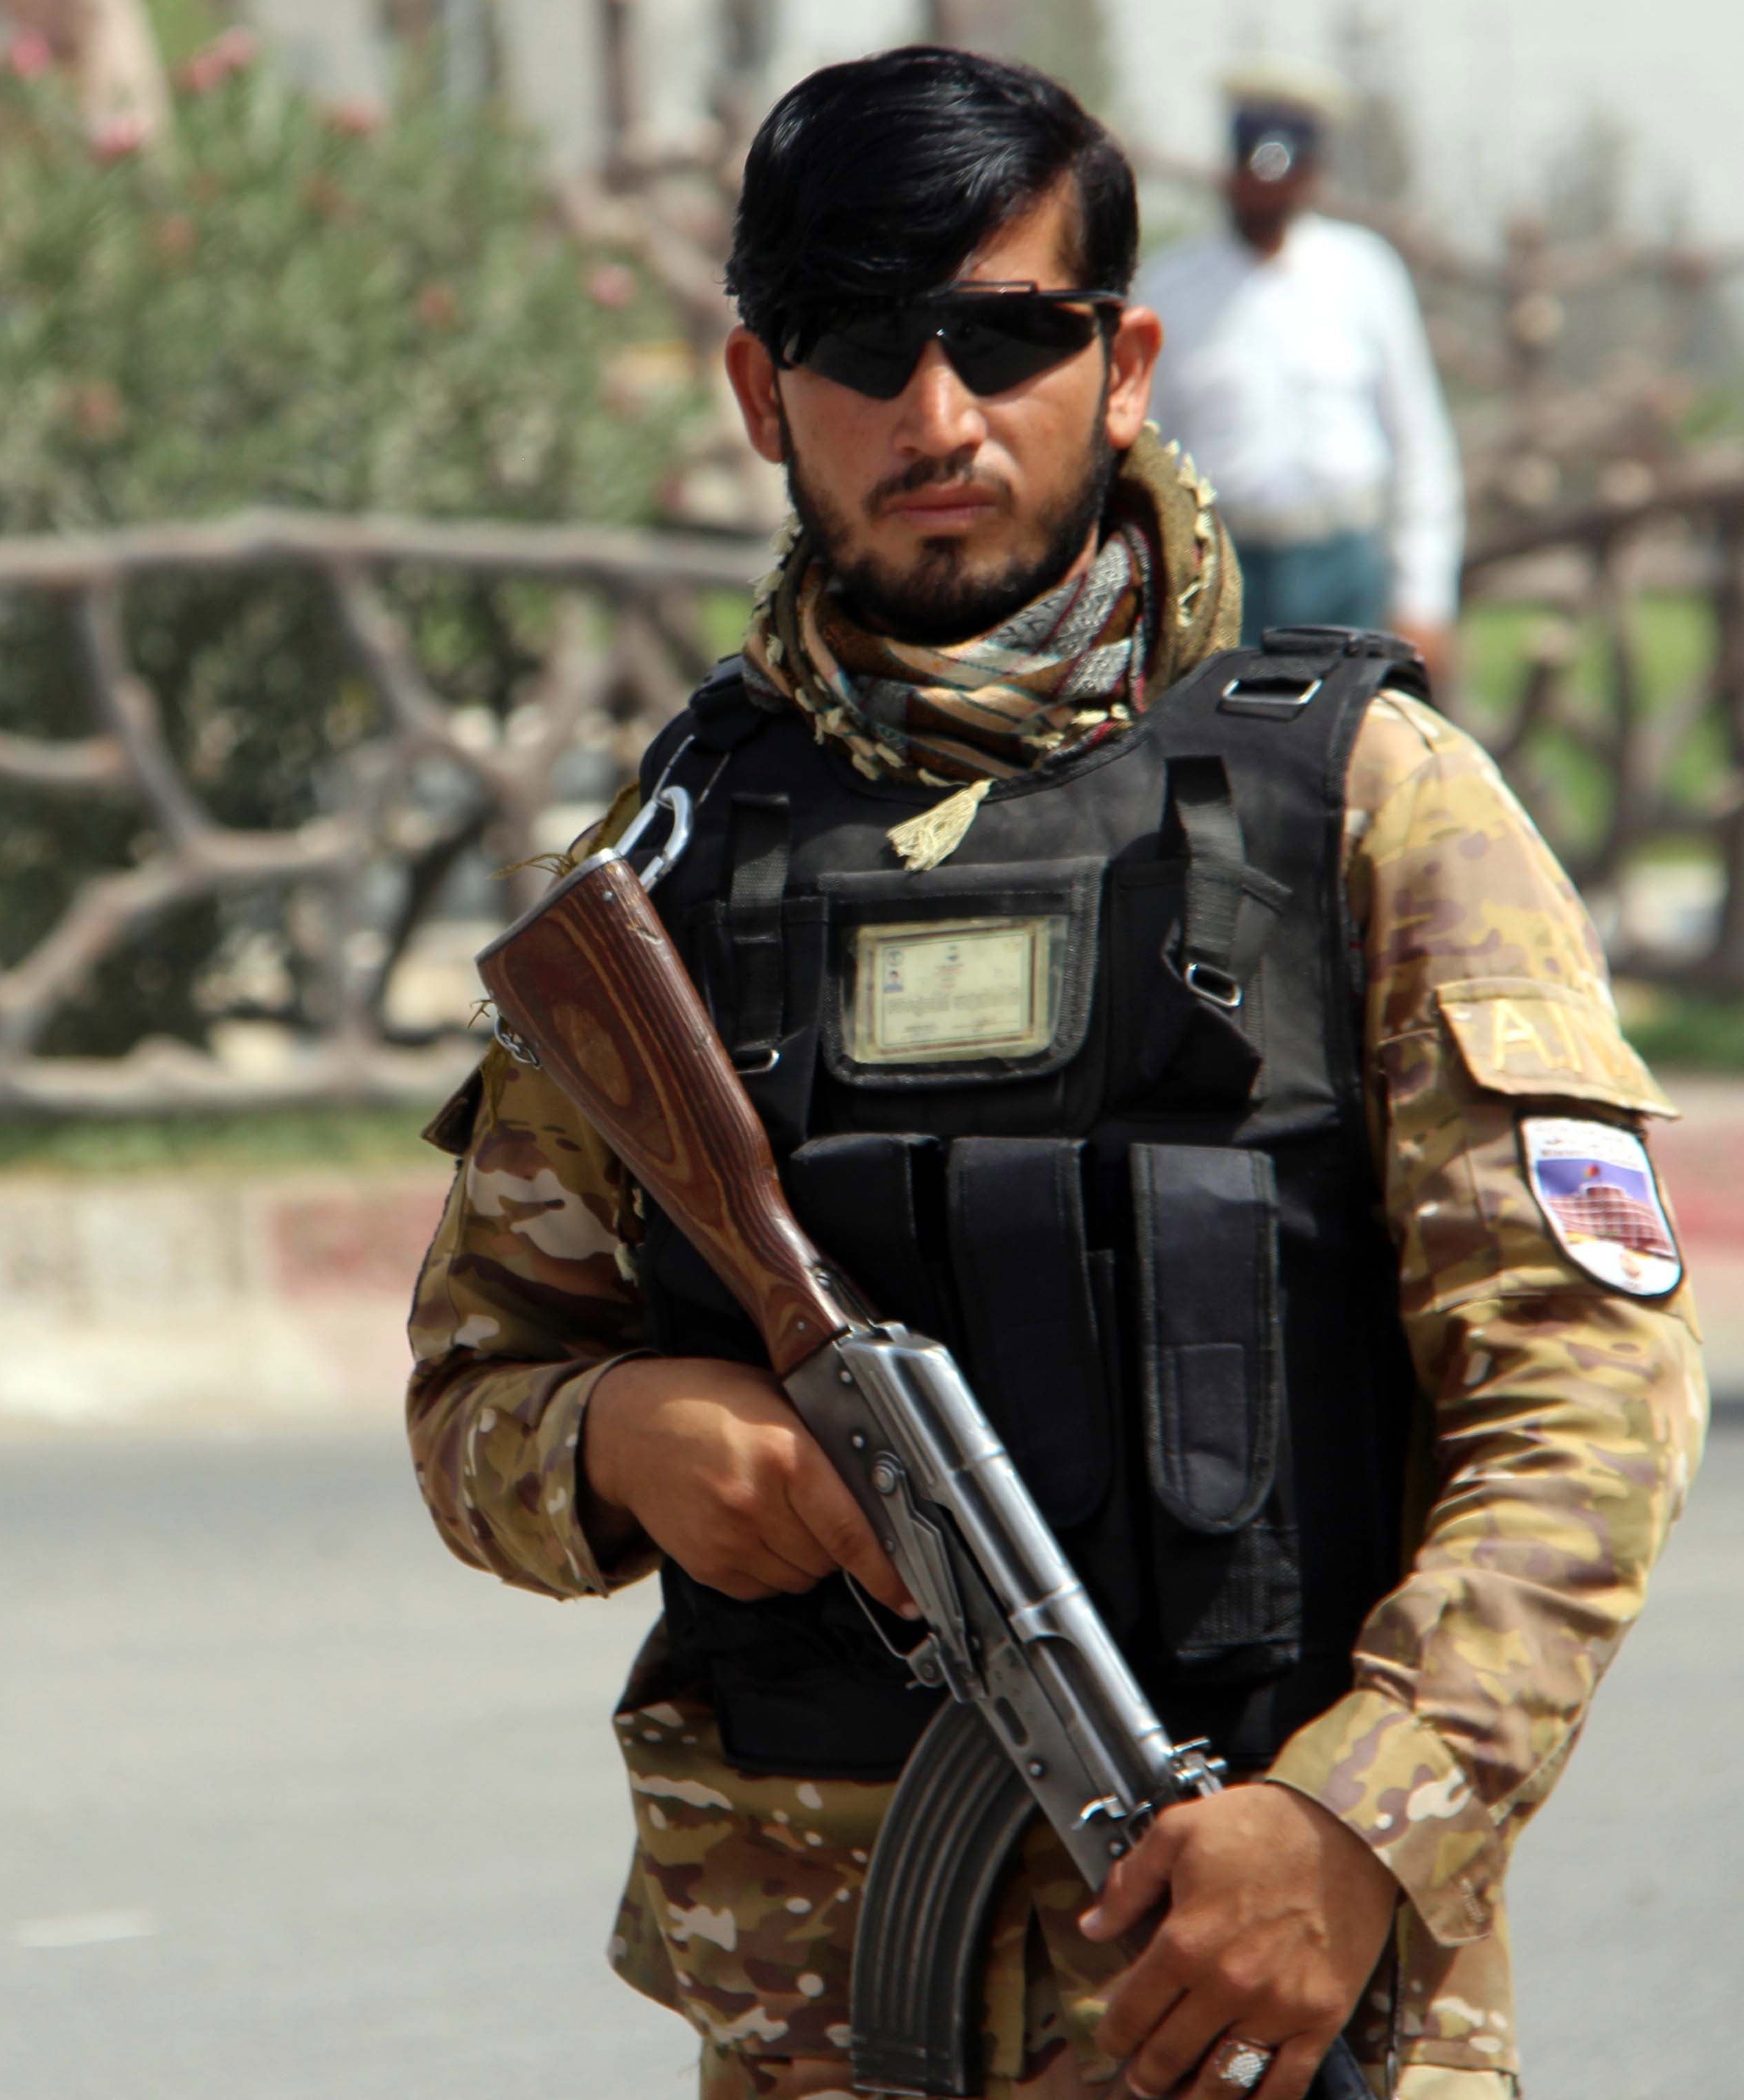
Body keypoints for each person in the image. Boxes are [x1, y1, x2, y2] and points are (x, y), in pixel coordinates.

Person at [405, 46, 1700, 2100]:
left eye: (1008, 338)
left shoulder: (1362, 807)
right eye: (861, 345)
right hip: (816, 2004)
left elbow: (1582, 1387)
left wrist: (1360, 1812)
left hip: (1274, 1997)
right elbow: (476, 1390)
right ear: (760, 395)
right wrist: (621, 1431)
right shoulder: (662, 873)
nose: (936, 416)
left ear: (1123, 361)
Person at [1139, 66, 1463, 677]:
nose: (1265, 195)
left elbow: (1419, 441)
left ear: (1311, 177)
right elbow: (1149, 451)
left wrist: (1425, 596)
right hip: (1226, 570)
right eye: (1252, 177)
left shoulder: (1363, 273)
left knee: (1348, 754)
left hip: (1343, 565)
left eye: (1283, 179)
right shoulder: (1172, 286)